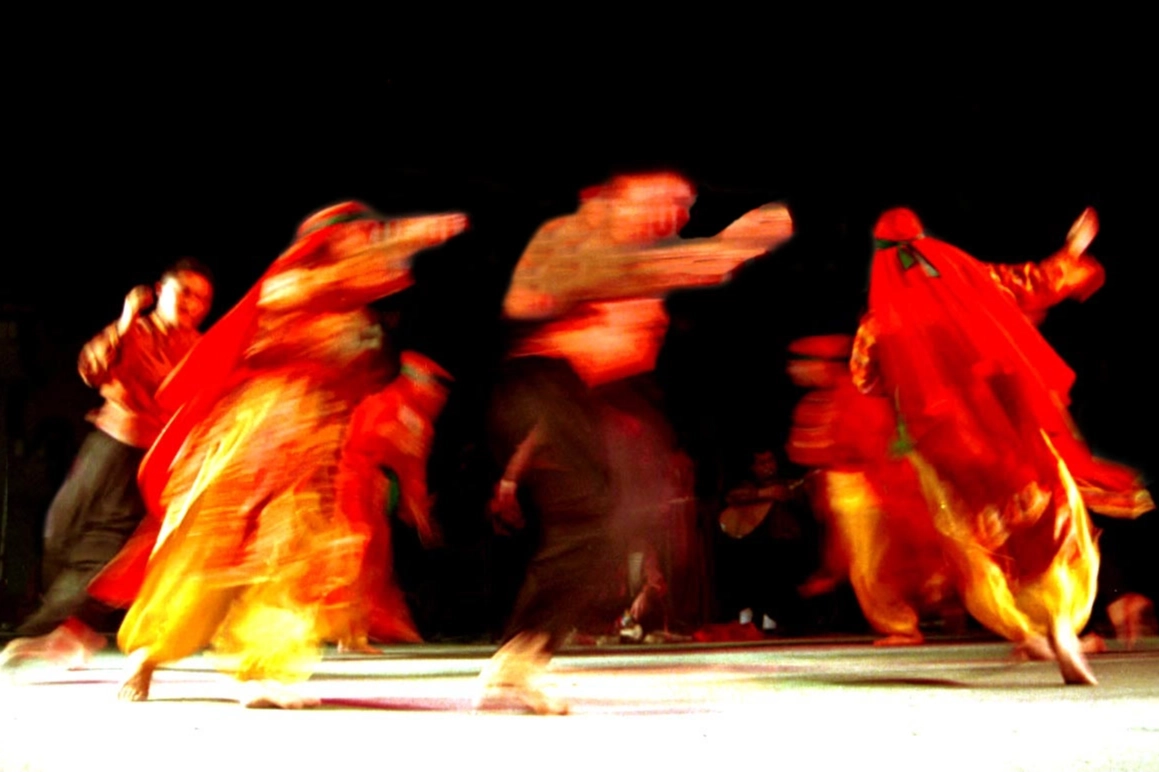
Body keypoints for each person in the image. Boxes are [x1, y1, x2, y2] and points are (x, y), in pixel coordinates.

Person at [111, 201, 466, 708]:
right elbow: (342, 285)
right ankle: (148, 653)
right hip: (257, 429)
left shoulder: (356, 315)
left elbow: (359, 356)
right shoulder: (292, 284)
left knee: (294, 554)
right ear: (328, 243)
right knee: (211, 546)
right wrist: (407, 236)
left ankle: (259, 668)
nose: (366, 245)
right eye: (357, 237)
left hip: (314, 441)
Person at [479, 172, 792, 713]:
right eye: (667, 201)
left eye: (684, 206)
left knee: (606, 524)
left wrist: (721, 253)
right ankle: (518, 656)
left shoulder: (627, 252)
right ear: (618, 194)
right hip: (545, 383)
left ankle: (523, 655)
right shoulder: (576, 233)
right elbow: (552, 294)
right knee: (593, 519)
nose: (676, 216)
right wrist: (719, 251)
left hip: (587, 397)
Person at [854, 206, 1152, 685]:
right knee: (1053, 515)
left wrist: (915, 370)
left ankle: (1023, 628)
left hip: (947, 447)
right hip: (1010, 427)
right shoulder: (972, 281)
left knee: (977, 543)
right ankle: (1060, 623)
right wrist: (1072, 250)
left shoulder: (878, 323)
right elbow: (1032, 281)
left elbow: (865, 378)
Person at [0, 259, 213, 668]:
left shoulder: (201, 349)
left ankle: (58, 629)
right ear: (159, 291)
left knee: (104, 546)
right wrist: (127, 317)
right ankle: (72, 630)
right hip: (107, 442)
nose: (193, 304)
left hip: (148, 457)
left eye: (202, 299)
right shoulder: (135, 331)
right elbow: (92, 368)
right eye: (185, 292)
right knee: (60, 528)